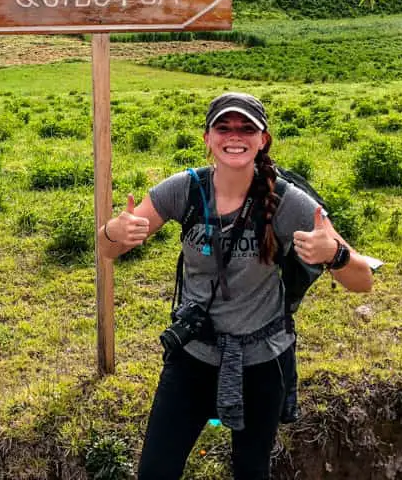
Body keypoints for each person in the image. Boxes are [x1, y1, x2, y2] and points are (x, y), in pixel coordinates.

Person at [98, 92, 374, 480]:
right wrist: (115, 231)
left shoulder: (287, 201)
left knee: (251, 470)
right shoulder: (184, 189)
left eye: (247, 128)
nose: (235, 136)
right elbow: (108, 250)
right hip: (192, 355)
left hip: (262, 361)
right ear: (208, 138)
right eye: (223, 127)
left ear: (263, 139)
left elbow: (363, 280)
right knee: (156, 471)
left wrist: (334, 255)